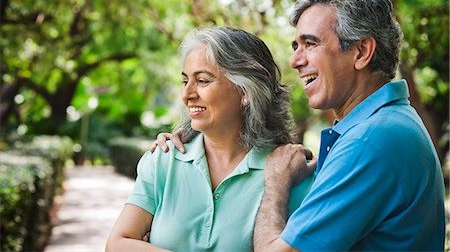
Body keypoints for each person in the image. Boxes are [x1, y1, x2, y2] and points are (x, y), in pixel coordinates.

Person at [154, 0, 445, 251]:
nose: (295, 61)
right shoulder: (384, 125)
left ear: (361, 52)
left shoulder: (371, 140)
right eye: (296, 46)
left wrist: (277, 181)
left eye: (310, 43)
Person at [105, 27, 316, 252]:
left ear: (246, 91)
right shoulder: (164, 160)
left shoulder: (287, 173)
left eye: (203, 81)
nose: (187, 94)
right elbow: (117, 243)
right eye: (185, 81)